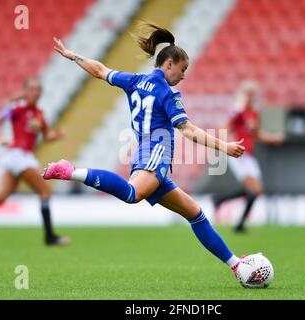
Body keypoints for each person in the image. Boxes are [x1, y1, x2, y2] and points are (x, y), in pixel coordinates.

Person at [43, 23, 249, 280]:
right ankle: (71, 172)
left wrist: (74, 56)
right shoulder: (168, 93)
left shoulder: (135, 80)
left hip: (149, 152)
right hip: (155, 152)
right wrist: (224, 146)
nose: (183, 75)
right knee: (132, 194)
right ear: (169, 63)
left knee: (195, 214)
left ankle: (237, 266)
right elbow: (187, 130)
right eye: (183, 69)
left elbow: (100, 70)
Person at [0, 78, 71, 246]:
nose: (35, 92)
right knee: (45, 192)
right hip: (18, 156)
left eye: (38, 89)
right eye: (32, 89)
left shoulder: (39, 114)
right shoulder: (18, 108)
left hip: (19, 157)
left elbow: (45, 136)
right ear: (26, 91)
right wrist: (1, 138)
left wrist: (56, 136)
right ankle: (50, 237)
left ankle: (50, 237)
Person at [213, 80, 284, 233]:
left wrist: (273, 138)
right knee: (253, 190)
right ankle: (239, 225)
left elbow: (257, 136)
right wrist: (227, 145)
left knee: (256, 191)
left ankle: (220, 200)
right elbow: (225, 128)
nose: (250, 98)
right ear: (243, 95)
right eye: (248, 94)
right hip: (238, 154)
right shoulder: (238, 112)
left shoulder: (254, 114)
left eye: (252, 95)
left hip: (249, 155)